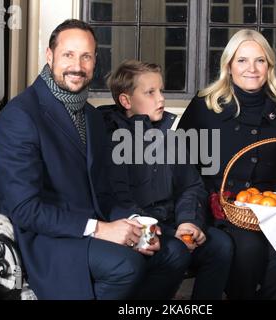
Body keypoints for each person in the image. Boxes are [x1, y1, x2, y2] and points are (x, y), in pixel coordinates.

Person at [0, 19, 190, 300]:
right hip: (45, 240)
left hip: (92, 229)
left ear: (95, 60)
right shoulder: (20, 116)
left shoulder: (92, 118)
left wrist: (136, 222)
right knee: (125, 265)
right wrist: (99, 229)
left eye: (86, 56)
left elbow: (104, 195)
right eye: (68, 55)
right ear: (50, 56)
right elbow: (25, 209)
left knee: (173, 252)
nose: (78, 66)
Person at [177, 29, 276, 299]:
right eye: (242, 60)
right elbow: (181, 167)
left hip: (268, 209)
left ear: (269, 66)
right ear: (229, 65)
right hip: (218, 208)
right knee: (249, 248)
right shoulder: (205, 105)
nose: (251, 68)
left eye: (260, 60)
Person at [98, 60, 233, 300]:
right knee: (175, 250)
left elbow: (191, 187)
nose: (161, 99)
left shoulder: (169, 138)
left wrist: (189, 223)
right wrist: (171, 233)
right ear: (126, 101)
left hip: (175, 224)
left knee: (220, 245)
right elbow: (117, 200)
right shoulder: (111, 141)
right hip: (140, 230)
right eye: (150, 92)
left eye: (161, 91)